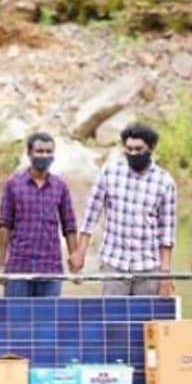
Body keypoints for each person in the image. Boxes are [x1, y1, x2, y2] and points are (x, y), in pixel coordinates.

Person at [73, 123, 177, 297]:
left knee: (145, 321)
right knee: (114, 320)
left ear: (150, 148)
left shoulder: (164, 182)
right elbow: (90, 215)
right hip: (114, 262)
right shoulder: (110, 172)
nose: (133, 154)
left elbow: (166, 233)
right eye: (129, 149)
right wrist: (80, 252)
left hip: (148, 266)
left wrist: (165, 275)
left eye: (139, 149)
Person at [0, 131, 79, 297]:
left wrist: (75, 260)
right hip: (19, 266)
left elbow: (69, 226)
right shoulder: (13, 184)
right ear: (29, 154)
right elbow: (5, 225)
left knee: (47, 320)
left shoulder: (60, 186)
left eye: (49, 152)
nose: (44, 156)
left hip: (50, 268)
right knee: (16, 320)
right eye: (40, 151)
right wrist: (1, 264)